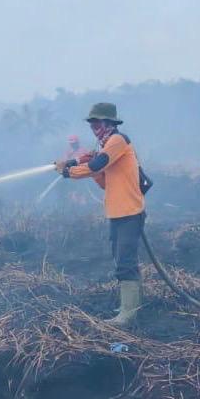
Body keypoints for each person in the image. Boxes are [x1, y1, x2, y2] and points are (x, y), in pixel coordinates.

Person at [55, 103, 146, 326]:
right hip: (117, 213)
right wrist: (83, 165)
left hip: (130, 213)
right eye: (92, 124)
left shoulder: (118, 141)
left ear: (109, 124)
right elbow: (104, 181)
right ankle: (132, 305)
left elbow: (97, 164)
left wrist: (69, 171)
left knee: (125, 261)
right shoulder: (107, 146)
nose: (94, 128)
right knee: (122, 259)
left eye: (98, 124)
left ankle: (128, 314)